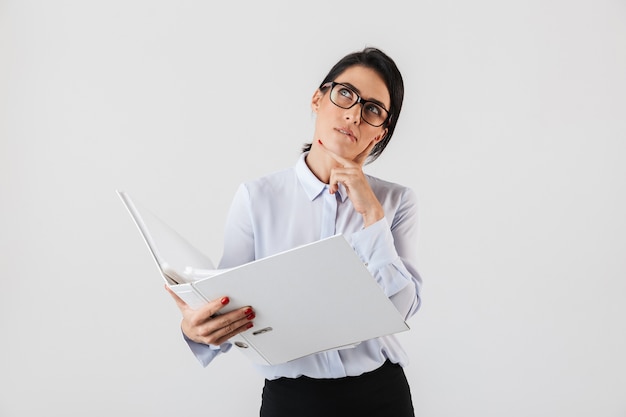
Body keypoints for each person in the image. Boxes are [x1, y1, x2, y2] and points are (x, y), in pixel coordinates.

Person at [166, 46, 422, 417]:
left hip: (380, 397)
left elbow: (401, 308)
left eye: (372, 110)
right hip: (292, 401)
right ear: (317, 99)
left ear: (380, 134)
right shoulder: (257, 198)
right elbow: (228, 305)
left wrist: (372, 216)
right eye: (345, 94)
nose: (353, 114)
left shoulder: (395, 202)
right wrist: (196, 330)